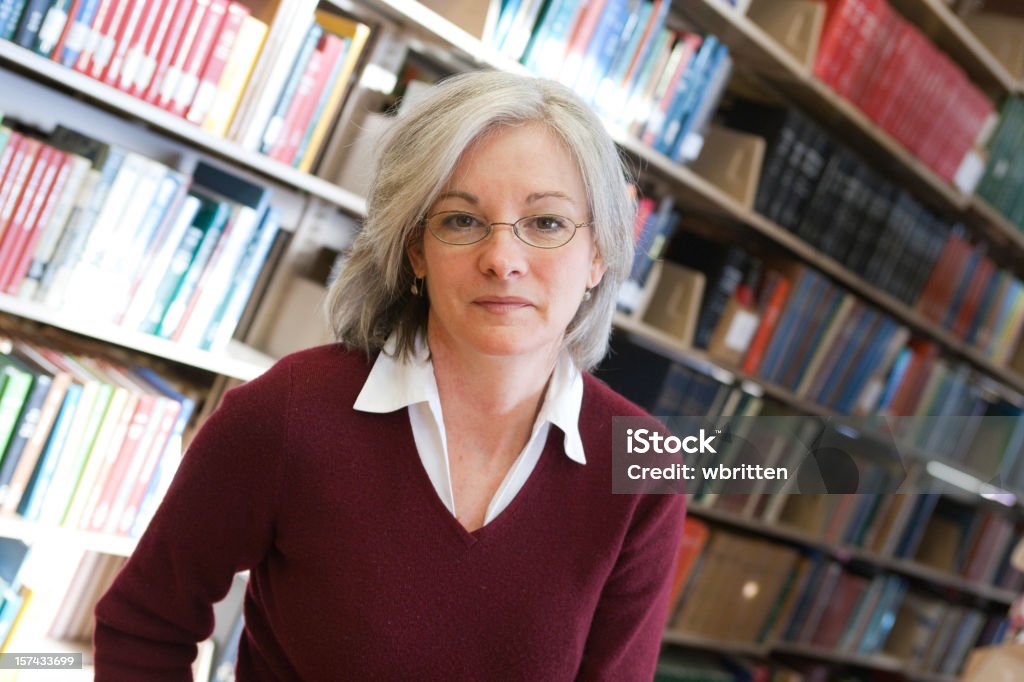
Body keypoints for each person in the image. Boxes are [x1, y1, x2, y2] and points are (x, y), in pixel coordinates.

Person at [94, 70, 687, 681]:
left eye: (547, 224)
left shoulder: (643, 470)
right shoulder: (288, 414)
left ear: (598, 254)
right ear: (414, 252)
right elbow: (143, 626)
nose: (503, 260)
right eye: (461, 221)